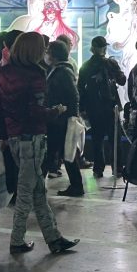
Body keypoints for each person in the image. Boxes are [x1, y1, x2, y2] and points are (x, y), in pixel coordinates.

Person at [0, 32, 78, 255]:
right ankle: (17, 239)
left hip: (13, 137)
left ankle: (54, 238)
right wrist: (54, 112)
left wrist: (3, 137)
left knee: (38, 190)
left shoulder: (3, 73)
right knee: (26, 191)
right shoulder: (36, 74)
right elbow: (34, 111)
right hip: (32, 137)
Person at [77, 36, 126, 179]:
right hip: (110, 106)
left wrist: (83, 108)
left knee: (97, 139)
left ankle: (98, 168)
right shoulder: (110, 63)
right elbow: (122, 80)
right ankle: (117, 167)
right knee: (114, 138)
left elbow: (80, 89)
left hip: (94, 107)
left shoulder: (86, 66)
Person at [45, 40, 83, 197]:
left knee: (60, 151)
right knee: (61, 151)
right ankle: (76, 185)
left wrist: (71, 115)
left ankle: (77, 185)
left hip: (61, 119)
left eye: (48, 52)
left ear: (53, 55)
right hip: (59, 118)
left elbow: (73, 96)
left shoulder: (63, 72)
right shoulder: (59, 70)